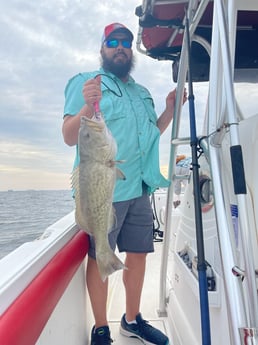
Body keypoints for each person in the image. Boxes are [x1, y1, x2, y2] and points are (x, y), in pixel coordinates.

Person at [62, 22, 187, 345]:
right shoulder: (86, 83)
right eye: (113, 42)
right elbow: (69, 135)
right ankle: (101, 327)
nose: (120, 47)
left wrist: (170, 111)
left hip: (140, 189)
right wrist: (89, 104)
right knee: (98, 254)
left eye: (126, 43)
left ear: (131, 51)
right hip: (102, 188)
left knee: (139, 254)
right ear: (102, 49)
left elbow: (149, 137)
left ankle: (132, 320)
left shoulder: (141, 92)